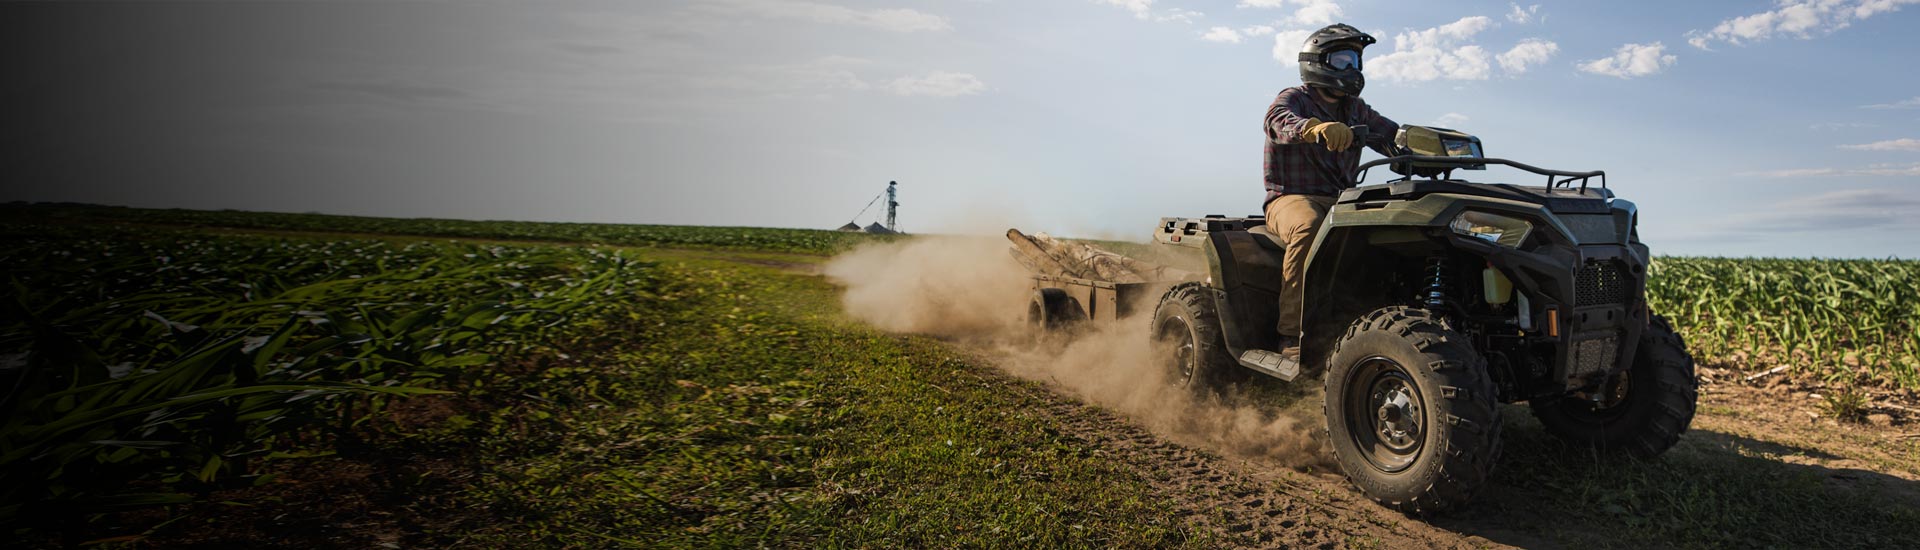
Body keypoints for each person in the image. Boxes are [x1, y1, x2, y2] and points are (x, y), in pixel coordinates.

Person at [1263, 23, 1400, 361]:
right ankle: (1291, 335)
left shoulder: (1357, 109)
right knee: (1308, 227)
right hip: (1290, 197)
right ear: (1317, 61)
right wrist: (1313, 127)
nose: (1352, 69)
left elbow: (1394, 136)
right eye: (1342, 59)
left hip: (1343, 199)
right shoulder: (1295, 97)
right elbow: (1277, 120)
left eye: (1355, 60)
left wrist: (1431, 145)